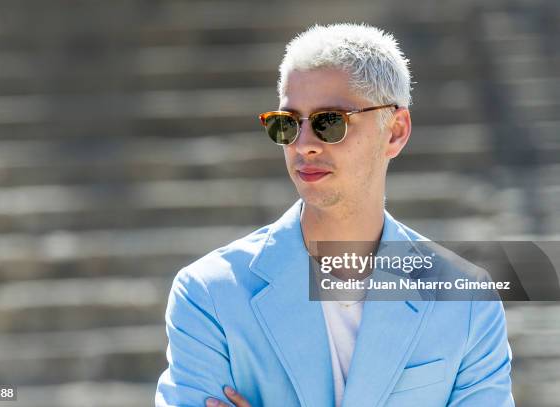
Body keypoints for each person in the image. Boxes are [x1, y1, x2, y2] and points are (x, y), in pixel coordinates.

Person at [155, 23, 514, 407]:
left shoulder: (468, 302)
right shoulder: (208, 294)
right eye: (288, 124)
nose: (303, 145)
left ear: (395, 130)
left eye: (330, 122)